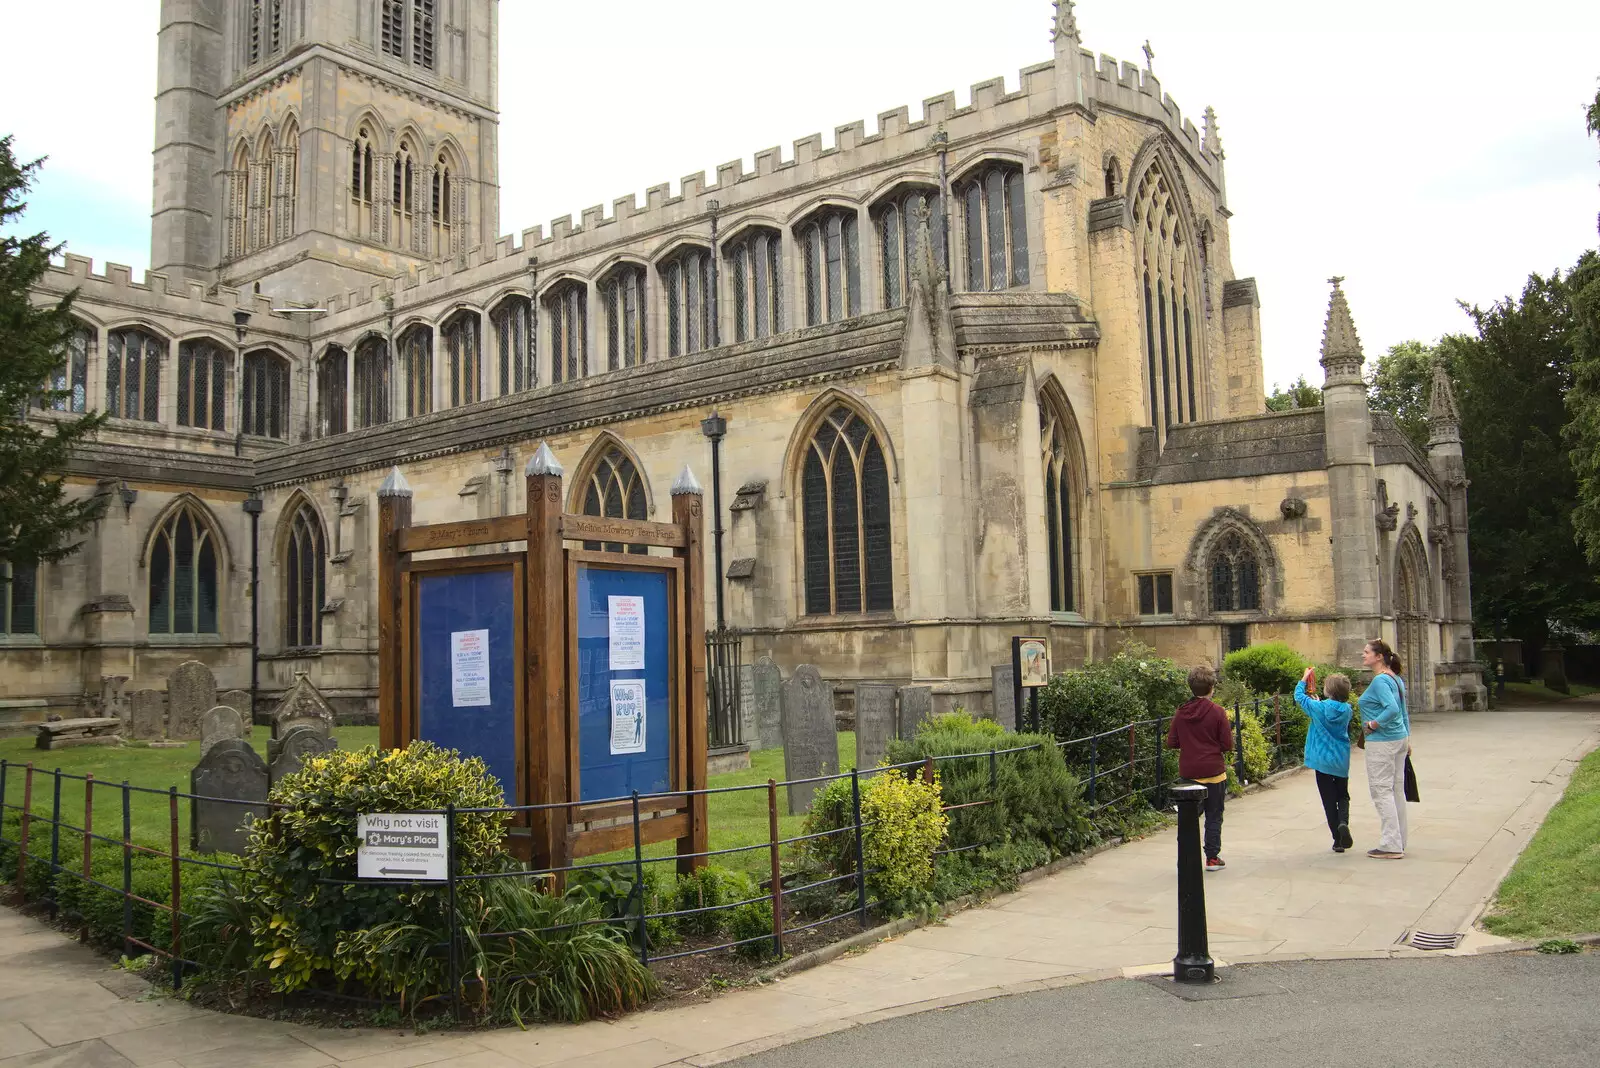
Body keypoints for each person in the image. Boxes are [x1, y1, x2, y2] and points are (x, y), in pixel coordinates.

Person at [1166, 664, 1234, 872]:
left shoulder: (1181, 712)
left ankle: (1186, 859)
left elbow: (1172, 742)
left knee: (1187, 818)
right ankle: (1212, 858)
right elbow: (1227, 745)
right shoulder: (1217, 712)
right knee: (1214, 815)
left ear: (1191, 688)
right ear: (1212, 687)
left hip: (1189, 772)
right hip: (1214, 772)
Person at [1294, 667, 1355, 853]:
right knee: (1343, 795)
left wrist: (1304, 679)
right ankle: (1343, 822)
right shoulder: (1348, 710)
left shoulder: (1318, 708)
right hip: (1341, 759)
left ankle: (1337, 840)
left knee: (1329, 800)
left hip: (1322, 760)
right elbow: (1332, 710)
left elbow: (1299, 697)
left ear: (1329, 691)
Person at [1360, 638, 1411, 859]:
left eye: (1366, 652)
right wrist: (1407, 739)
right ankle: (1399, 840)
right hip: (1398, 740)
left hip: (1382, 742)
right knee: (1396, 791)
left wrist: (1373, 724)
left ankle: (1390, 844)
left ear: (1378, 656)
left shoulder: (1381, 681)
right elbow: (1403, 711)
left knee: (1381, 790)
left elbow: (1392, 709)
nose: (1363, 655)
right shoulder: (1395, 679)